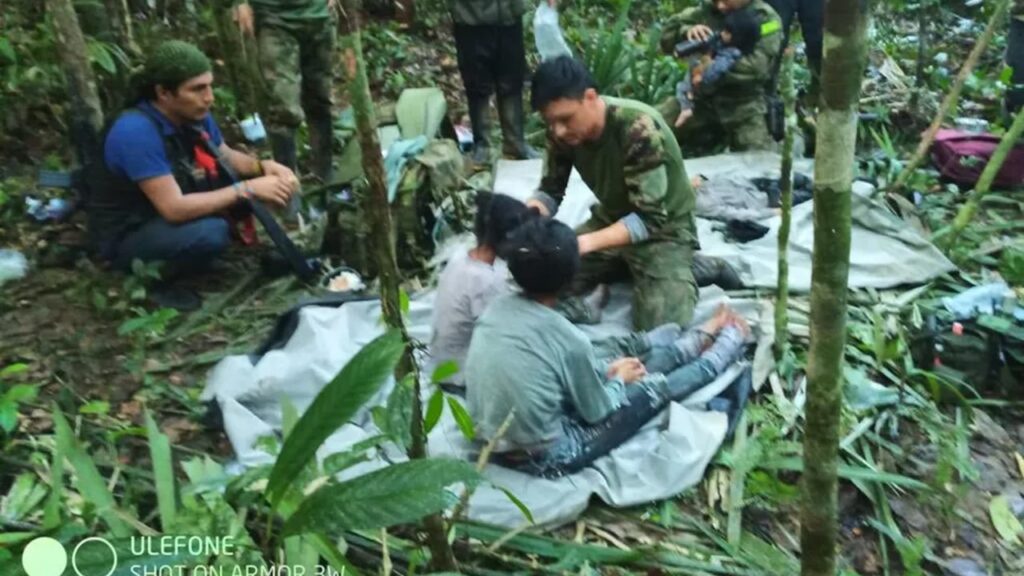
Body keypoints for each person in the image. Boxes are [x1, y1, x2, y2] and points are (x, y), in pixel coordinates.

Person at [464, 218, 749, 478]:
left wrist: (608, 373)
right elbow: (596, 413)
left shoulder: (494, 311)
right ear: (570, 276)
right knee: (652, 389)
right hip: (547, 455)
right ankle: (726, 344)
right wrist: (616, 382)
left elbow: (549, 368)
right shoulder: (569, 339)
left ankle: (698, 339)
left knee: (624, 364)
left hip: (494, 442)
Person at [528, 56, 738, 331]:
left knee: (662, 328)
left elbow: (649, 219)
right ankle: (626, 265)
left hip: (664, 229)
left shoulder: (637, 127)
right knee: (538, 275)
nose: (558, 130)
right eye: (551, 122)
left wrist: (583, 244)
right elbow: (550, 189)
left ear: (590, 97)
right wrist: (530, 215)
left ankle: (694, 268)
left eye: (565, 119)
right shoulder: (562, 131)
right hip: (612, 218)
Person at [88, 40, 298, 308]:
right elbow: (173, 208)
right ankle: (151, 280)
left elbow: (224, 155)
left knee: (235, 185)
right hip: (130, 231)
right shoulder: (135, 132)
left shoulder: (193, 113)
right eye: (197, 89)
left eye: (209, 86)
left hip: (167, 207)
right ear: (163, 93)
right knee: (211, 233)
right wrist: (249, 189)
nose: (209, 97)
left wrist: (263, 167)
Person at [235, 0, 337, 213]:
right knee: (284, 107)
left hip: (319, 14)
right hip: (274, 17)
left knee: (321, 98)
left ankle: (326, 176)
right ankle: (287, 187)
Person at [428, 192, 537, 388]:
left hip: (441, 361)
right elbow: (503, 333)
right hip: (458, 374)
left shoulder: (462, 256)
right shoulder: (486, 281)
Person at [659, 0, 783, 155]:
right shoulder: (707, 10)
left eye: (725, 1)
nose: (720, 6)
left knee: (760, 164)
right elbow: (666, 38)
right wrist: (687, 31)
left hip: (743, 105)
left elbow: (756, 68)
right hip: (699, 101)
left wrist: (709, 66)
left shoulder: (765, 18)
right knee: (647, 130)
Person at [449, 0, 546, 165]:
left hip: (508, 15)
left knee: (511, 80)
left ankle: (515, 142)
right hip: (471, 19)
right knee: (476, 84)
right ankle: (482, 146)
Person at [673, 8, 762, 128]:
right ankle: (688, 99)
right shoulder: (725, 43)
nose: (723, 33)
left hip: (708, 85)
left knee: (681, 88)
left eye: (727, 32)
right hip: (702, 79)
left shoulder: (730, 54)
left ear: (736, 37)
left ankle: (686, 108)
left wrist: (702, 77)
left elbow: (717, 70)